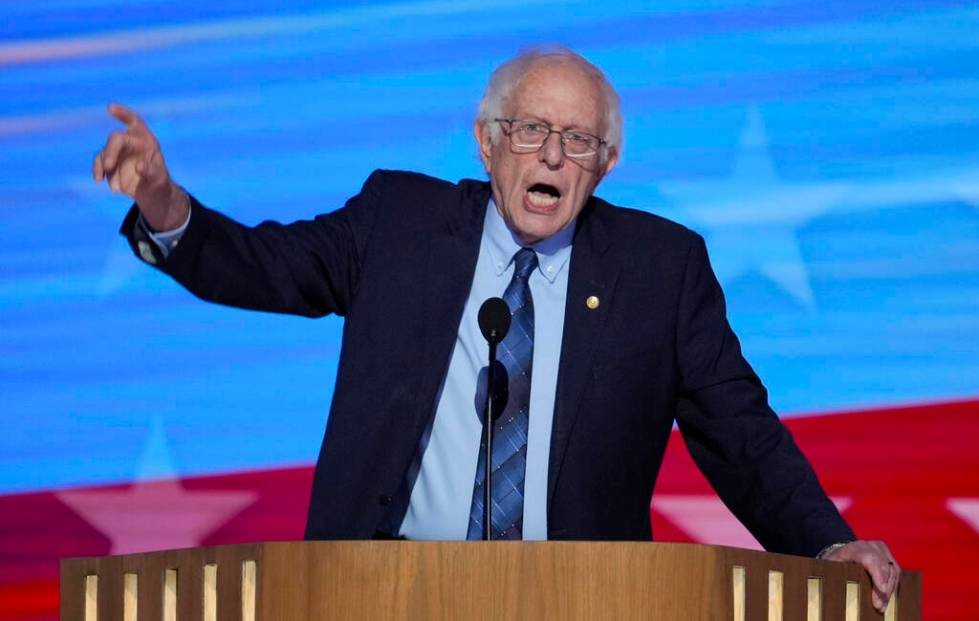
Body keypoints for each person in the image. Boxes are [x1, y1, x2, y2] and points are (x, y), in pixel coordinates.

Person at [93, 47, 901, 611]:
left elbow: (741, 432)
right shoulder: (398, 223)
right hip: (376, 590)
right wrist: (165, 204)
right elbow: (264, 265)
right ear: (488, 143)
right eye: (531, 130)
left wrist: (826, 546)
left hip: (582, 600)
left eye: (578, 140)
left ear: (606, 162)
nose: (552, 153)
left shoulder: (660, 269)